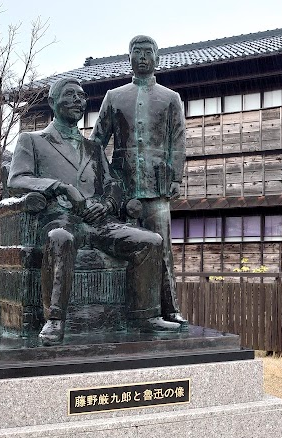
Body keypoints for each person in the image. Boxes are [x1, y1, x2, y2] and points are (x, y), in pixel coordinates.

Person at [8, 77, 181, 345]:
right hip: (61, 219)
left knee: (151, 241)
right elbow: (17, 179)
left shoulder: (94, 147)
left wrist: (108, 204)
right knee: (60, 238)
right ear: (52, 102)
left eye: (81, 96)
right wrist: (61, 187)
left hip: (100, 221)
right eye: (70, 95)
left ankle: (145, 316)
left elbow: (113, 183)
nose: (78, 100)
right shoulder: (32, 140)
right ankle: (55, 319)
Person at [92, 35, 188, 328]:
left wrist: (175, 177)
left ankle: (169, 308)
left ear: (157, 58)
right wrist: (104, 181)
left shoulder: (170, 98)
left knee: (162, 249)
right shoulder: (114, 96)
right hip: (122, 188)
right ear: (129, 57)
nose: (143, 57)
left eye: (148, 52)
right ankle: (122, 311)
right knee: (122, 249)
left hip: (157, 187)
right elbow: (96, 143)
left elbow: (178, 141)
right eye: (137, 52)